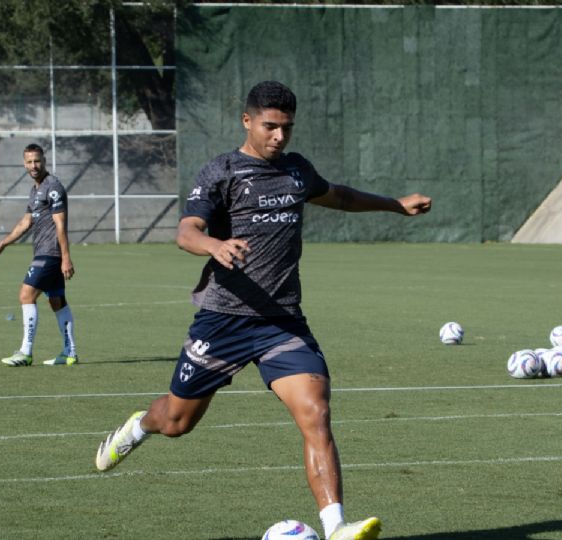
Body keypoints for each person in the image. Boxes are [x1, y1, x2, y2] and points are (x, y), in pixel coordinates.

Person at [94, 81, 431, 540]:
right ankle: (137, 428)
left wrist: (395, 205)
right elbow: (186, 231)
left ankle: (336, 527)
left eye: (286, 128)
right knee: (176, 421)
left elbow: (340, 196)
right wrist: (214, 244)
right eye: (270, 126)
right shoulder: (222, 171)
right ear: (247, 121)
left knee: (316, 413)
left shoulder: (296, 171)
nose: (279, 136)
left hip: (282, 322)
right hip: (223, 319)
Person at [0, 143, 79, 367]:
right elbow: (25, 222)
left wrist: (66, 257)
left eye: (37, 161)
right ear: (24, 163)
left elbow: (60, 224)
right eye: (29, 162)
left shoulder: (53, 187)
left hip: (50, 253)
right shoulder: (35, 190)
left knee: (26, 295)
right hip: (44, 252)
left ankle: (25, 352)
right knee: (57, 301)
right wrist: (3, 243)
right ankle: (69, 353)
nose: (33, 165)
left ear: (44, 161)